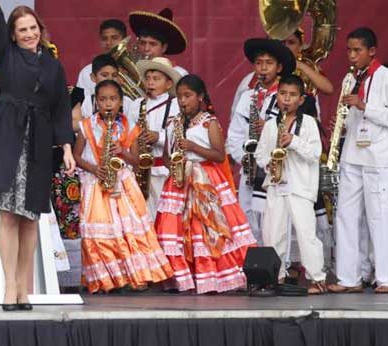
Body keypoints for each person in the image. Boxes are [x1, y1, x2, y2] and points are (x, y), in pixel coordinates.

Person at [0, 0, 76, 311]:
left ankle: (25, 289)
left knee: (31, 217)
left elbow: (61, 109)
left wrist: (66, 147)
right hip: (9, 138)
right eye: (23, 30)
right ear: (13, 36)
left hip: (40, 141)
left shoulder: (53, 65)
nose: (29, 34)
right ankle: (9, 287)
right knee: (8, 216)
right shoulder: (6, 54)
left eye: (33, 28)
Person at [154, 75, 254, 294]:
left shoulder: (209, 122)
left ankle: (211, 278)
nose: (182, 101)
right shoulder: (173, 123)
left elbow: (219, 155)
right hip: (179, 180)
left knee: (206, 228)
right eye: (179, 97)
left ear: (200, 97)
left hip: (205, 179)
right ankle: (182, 279)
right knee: (173, 229)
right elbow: (166, 155)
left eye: (188, 96)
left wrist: (192, 146)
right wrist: (174, 164)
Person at [73, 79, 172, 293]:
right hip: (96, 182)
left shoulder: (129, 127)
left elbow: (137, 160)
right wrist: (93, 169)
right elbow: (76, 155)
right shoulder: (86, 125)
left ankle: (133, 276)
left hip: (123, 183)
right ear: (95, 102)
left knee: (128, 230)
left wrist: (123, 153)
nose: (108, 104)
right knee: (99, 233)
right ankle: (104, 280)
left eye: (113, 99)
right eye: (102, 99)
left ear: (121, 102)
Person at [329, 27, 388, 294]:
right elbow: (354, 116)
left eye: (357, 50)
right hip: (352, 156)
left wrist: (363, 106)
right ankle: (349, 278)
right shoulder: (351, 78)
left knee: (381, 217)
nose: (351, 55)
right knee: (346, 216)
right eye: (349, 50)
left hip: (379, 158)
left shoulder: (386, 78)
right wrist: (343, 125)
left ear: (372, 51)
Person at [254, 75, 326, 293]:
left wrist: (293, 141)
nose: (286, 99)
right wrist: (269, 164)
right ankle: (276, 277)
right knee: (272, 232)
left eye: (292, 95)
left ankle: (317, 278)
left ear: (301, 99)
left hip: (300, 186)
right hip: (277, 184)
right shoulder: (270, 125)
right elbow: (260, 153)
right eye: (283, 94)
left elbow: (315, 153)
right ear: (277, 96)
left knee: (306, 233)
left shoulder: (309, 123)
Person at [226, 38, 295, 239]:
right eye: (258, 63)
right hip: (251, 167)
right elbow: (236, 131)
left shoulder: (286, 95)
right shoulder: (248, 96)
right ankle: (252, 262)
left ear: (279, 67)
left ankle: (278, 263)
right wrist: (244, 158)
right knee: (248, 213)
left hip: (276, 167)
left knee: (274, 217)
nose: (263, 68)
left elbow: (294, 127)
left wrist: (269, 129)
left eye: (269, 63)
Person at [131, 57, 182, 215]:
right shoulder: (137, 104)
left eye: (156, 79)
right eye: (147, 79)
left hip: (164, 168)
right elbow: (129, 133)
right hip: (142, 169)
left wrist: (158, 137)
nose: (150, 83)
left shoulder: (175, 104)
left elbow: (179, 134)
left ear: (168, 84)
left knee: (165, 212)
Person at [75, 19, 128, 98]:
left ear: (124, 40)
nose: (108, 43)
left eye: (114, 38)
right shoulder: (86, 72)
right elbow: (80, 102)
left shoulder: (134, 71)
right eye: (104, 39)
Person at [127, 9, 189, 76]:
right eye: (142, 43)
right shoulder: (129, 72)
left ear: (164, 48)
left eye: (153, 44)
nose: (146, 49)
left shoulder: (179, 73)